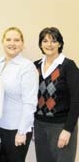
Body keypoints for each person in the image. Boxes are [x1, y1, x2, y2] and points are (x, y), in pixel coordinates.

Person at [33, 27, 79, 162]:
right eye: (45, 41)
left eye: (53, 41)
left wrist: (68, 130)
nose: (49, 44)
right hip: (39, 125)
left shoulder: (68, 66)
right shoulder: (35, 66)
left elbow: (77, 99)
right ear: (40, 44)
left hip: (61, 126)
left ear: (60, 43)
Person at [0, 27, 38, 162]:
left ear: (22, 44)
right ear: (2, 42)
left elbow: (30, 102)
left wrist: (22, 131)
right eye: (8, 39)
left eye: (17, 40)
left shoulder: (26, 66)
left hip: (16, 129)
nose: (12, 43)